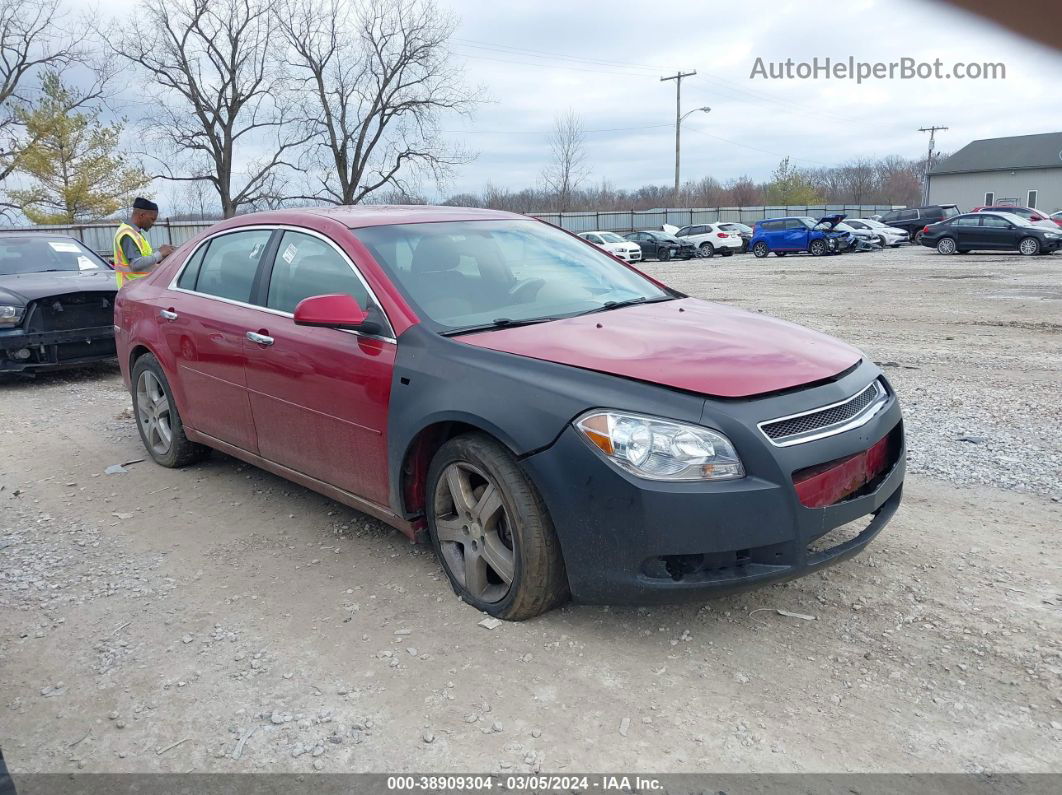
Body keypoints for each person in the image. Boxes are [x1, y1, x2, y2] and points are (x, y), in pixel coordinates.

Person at [112, 197, 175, 288]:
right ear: (142, 215)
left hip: (138, 288)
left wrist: (162, 259)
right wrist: (160, 253)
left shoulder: (134, 233)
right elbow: (136, 264)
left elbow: (144, 261)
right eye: (152, 219)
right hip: (132, 290)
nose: (153, 223)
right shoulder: (127, 234)